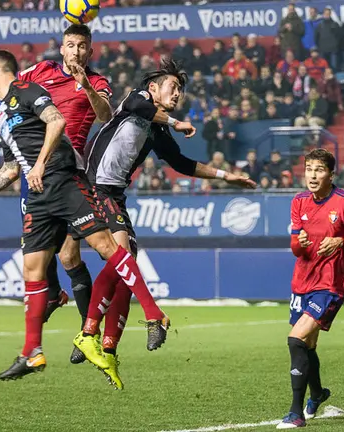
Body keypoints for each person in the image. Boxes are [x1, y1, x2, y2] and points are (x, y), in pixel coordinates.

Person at [0, 24, 197, 364]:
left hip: (70, 169)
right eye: (70, 45)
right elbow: (4, 88)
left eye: (82, 46)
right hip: (32, 168)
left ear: (90, 51)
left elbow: (105, 115)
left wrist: (84, 85)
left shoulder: (97, 82)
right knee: (60, 256)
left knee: (93, 251)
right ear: (62, 49)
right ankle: (65, 316)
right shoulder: (41, 71)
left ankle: (93, 330)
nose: (76, 51)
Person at [84, 59, 256, 389]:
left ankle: (105, 344)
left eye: (180, 90)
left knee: (125, 262)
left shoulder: (158, 129)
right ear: (154, 88)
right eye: (172, 87)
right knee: (120, 260)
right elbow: (138, 106)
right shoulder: (137, 100)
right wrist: (176, 122)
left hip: (114, 194)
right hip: (94, 186)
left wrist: (225, 176)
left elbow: (181, 163)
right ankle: (100, 328)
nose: (177, 93)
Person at [277, 149, 344, 429]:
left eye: (319, 170)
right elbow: (295, 249)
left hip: (329, 285)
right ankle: (317, 394)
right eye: (309, 169)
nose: (312, 175)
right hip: (301, 282)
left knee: (295, 339)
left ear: (331, 174)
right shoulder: (298, 201)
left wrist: (342, 242)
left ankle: (295, 413)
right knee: (308, 345)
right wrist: (300, 242)